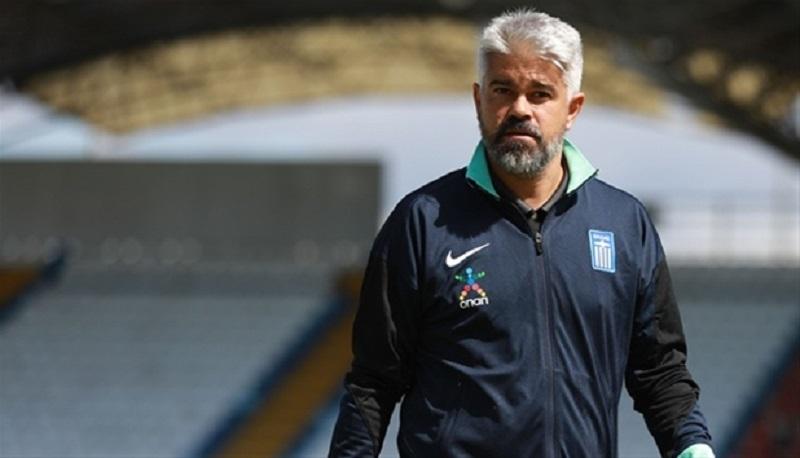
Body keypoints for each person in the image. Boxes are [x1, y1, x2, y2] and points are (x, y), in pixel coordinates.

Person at [329, 9, 714, 458]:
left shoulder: (625, 223)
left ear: (572, 109)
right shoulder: (422, 222)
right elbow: (373, 381)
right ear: (479, 100)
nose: (519, 109)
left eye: (540, 93)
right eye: (503, 90)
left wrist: (693, 446)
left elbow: (659, 369)